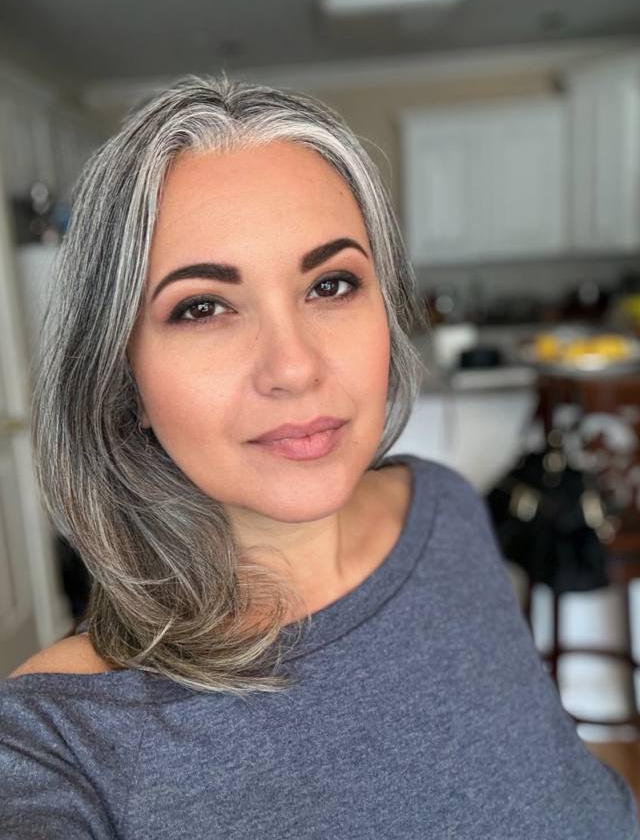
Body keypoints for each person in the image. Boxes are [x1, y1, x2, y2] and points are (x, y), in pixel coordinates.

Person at [0, 73, 637, 840]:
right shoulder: (58, 742)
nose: (295, 366)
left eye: (331, 284)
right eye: (202, 307)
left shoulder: (445, 508)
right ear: (121, 376)